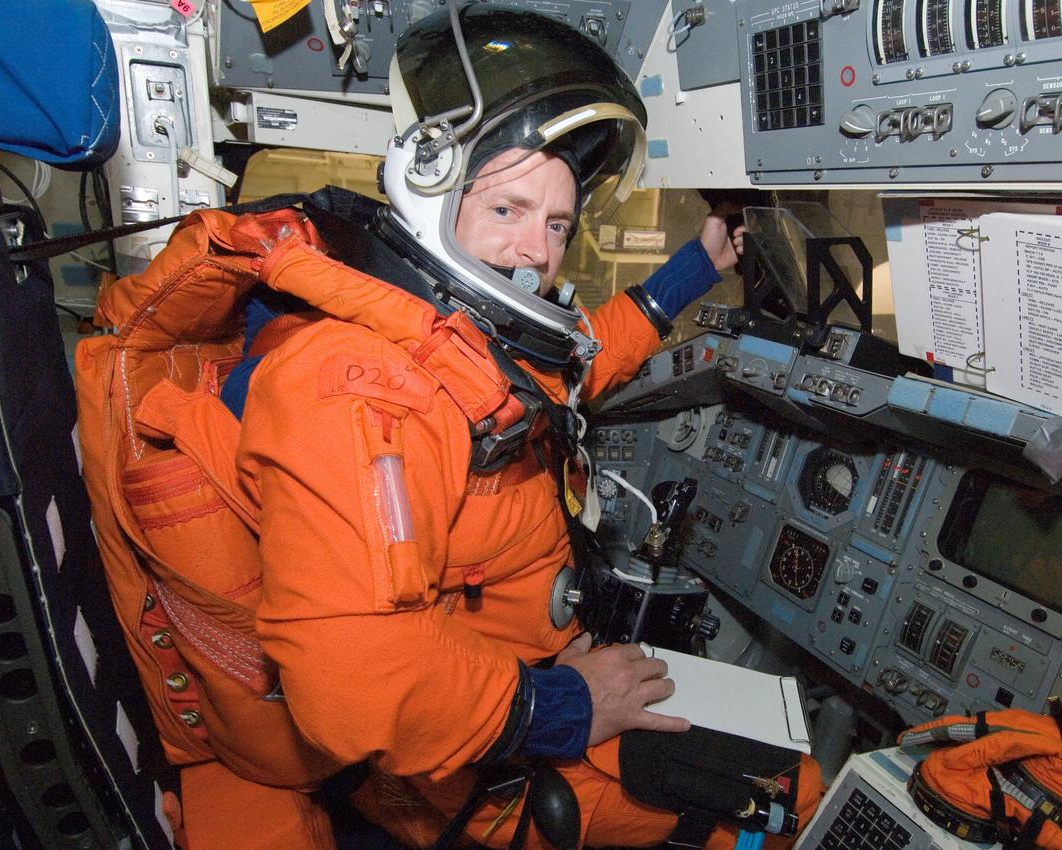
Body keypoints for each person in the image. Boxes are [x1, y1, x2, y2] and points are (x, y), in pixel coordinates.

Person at [78, 4, 820, 848]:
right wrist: (567, 707)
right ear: (432, 195)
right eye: (508, 210)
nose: (537, 251)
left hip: (514, 681)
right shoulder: (360, 388)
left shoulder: (438, 339)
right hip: (467, 758)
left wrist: (696, 267)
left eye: (556, 224)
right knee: (792, 795)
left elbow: (570, 367)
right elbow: (354, 677)